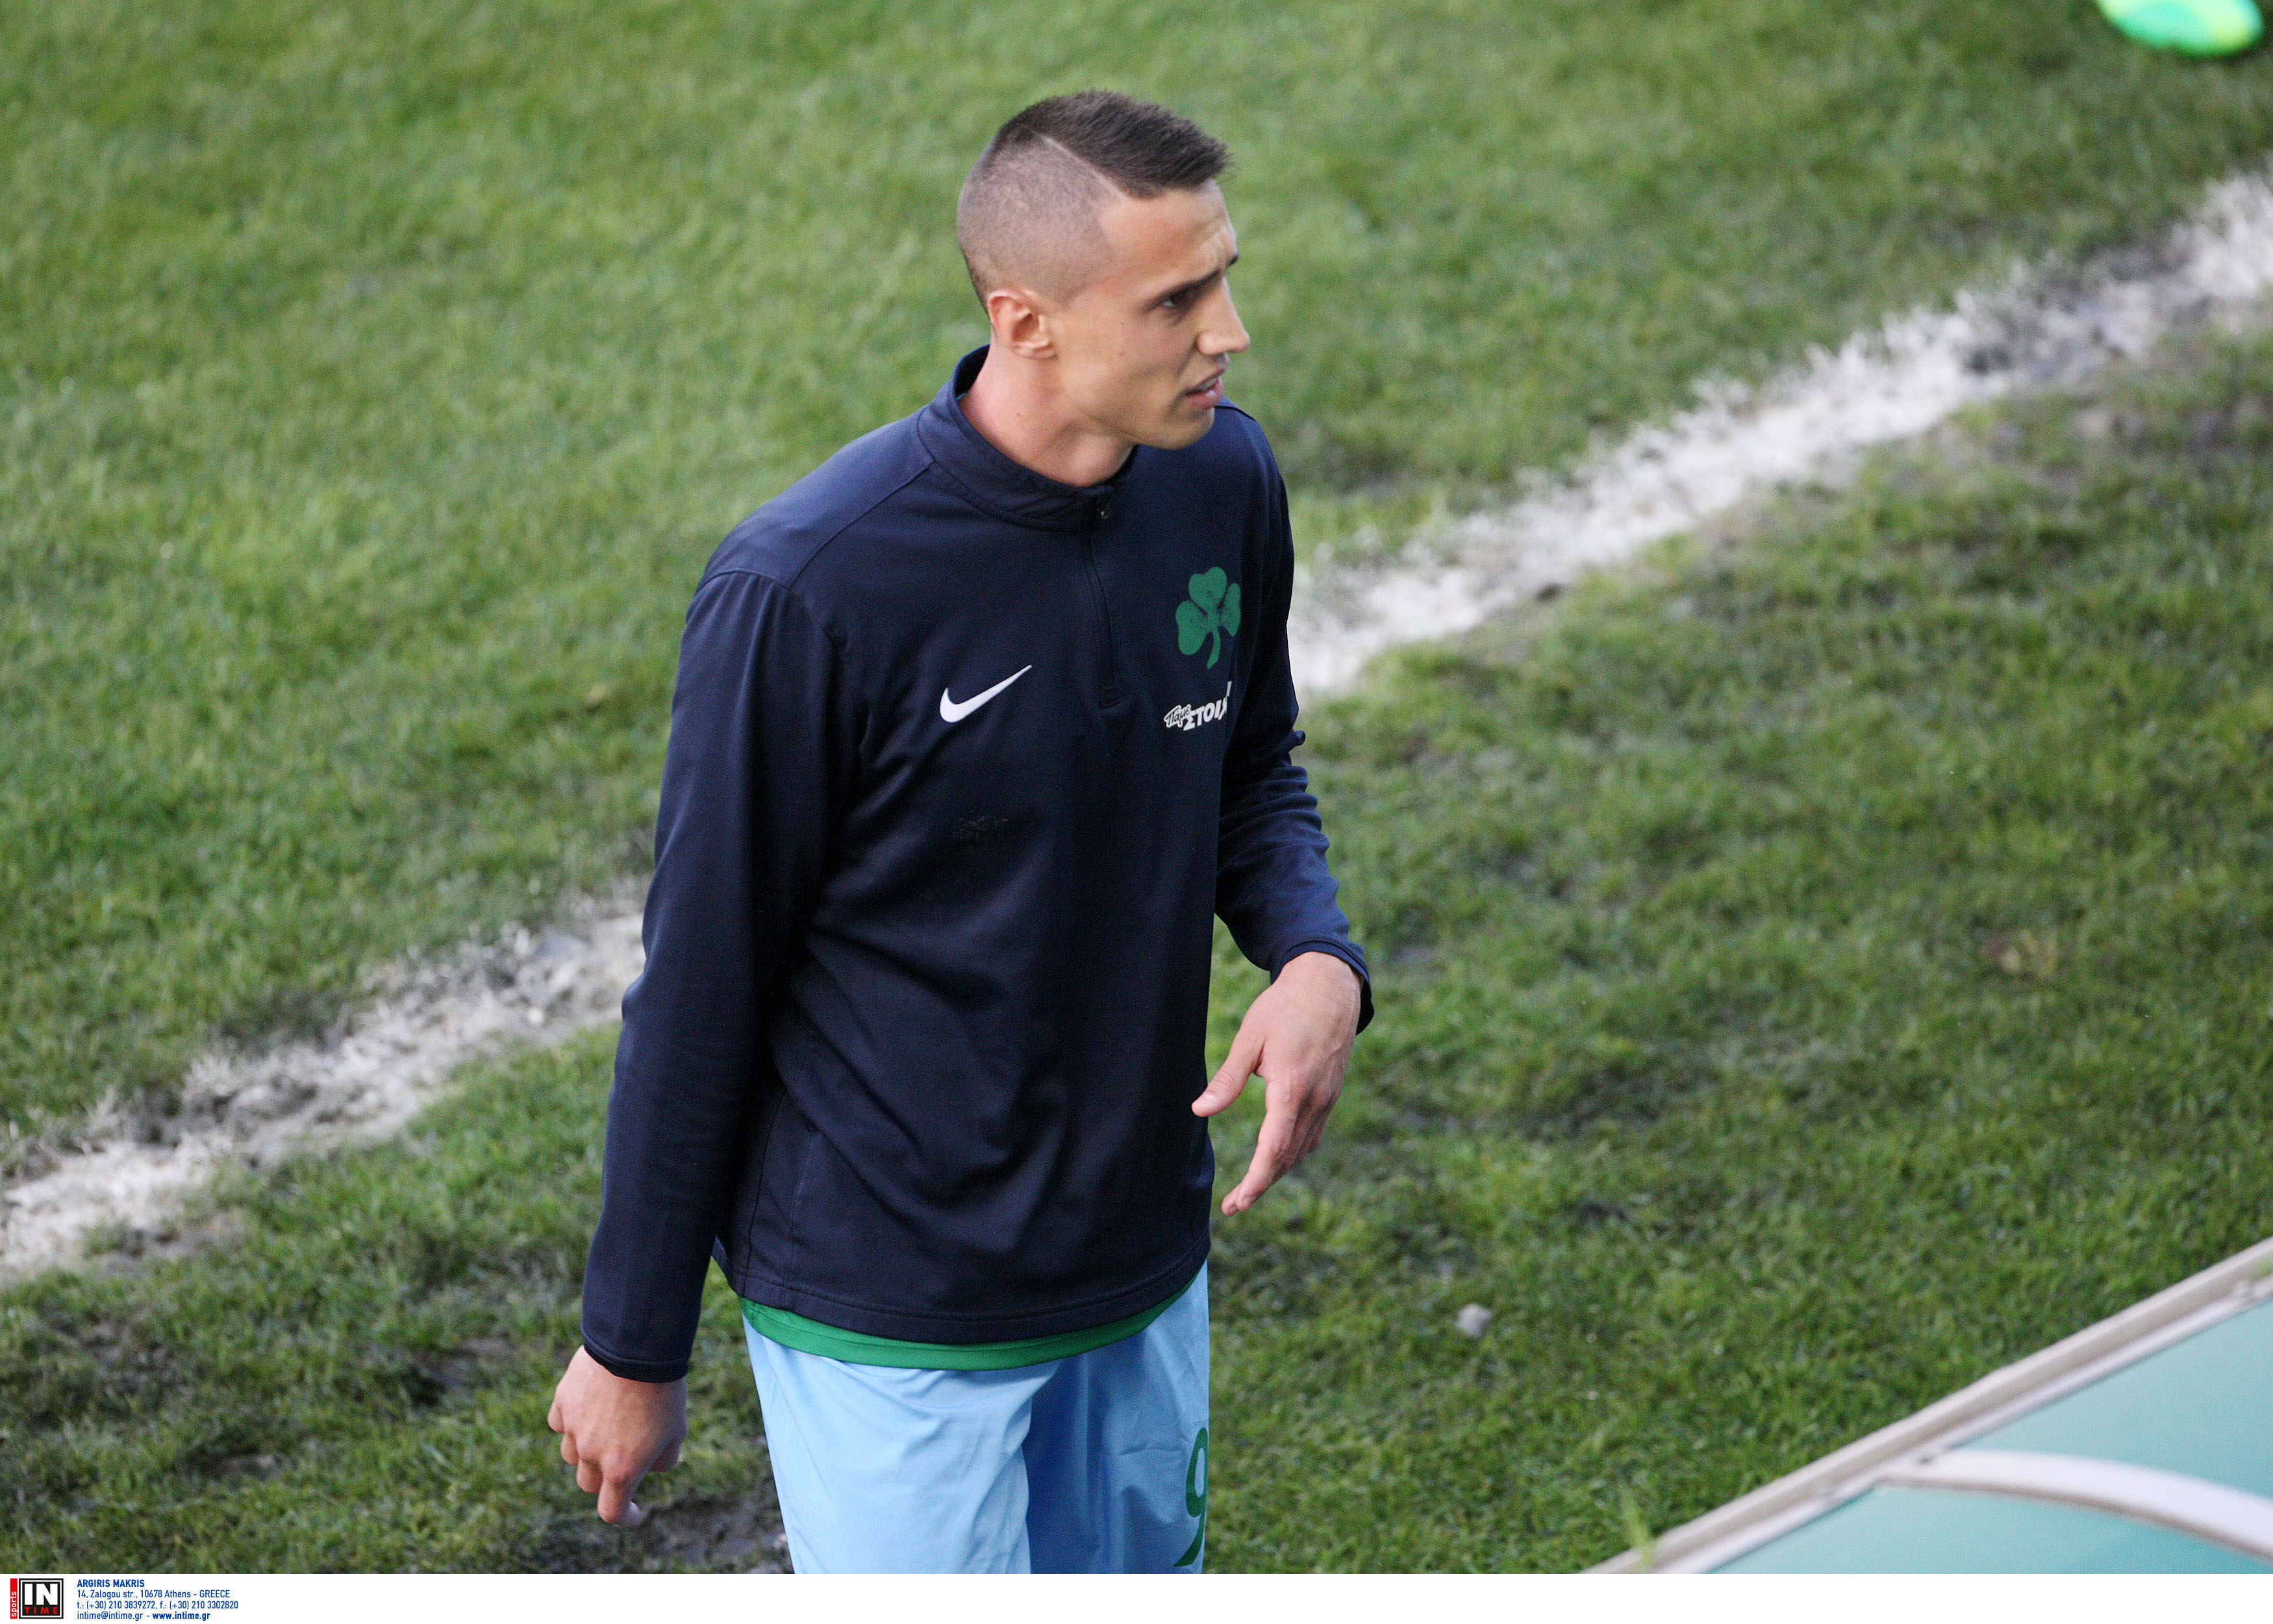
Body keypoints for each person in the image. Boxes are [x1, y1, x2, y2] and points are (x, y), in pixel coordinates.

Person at [547, 88, 1370, 1574]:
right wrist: (631, 1341)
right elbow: (705, 978)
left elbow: (1249, 768)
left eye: (1225, 279)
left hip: (1137, 1256)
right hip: (890, 1301)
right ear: (1023, 320)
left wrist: (1315, 955)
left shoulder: (1222, 484)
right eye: (1176, 301)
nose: (1229, 332)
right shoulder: (810, 589)